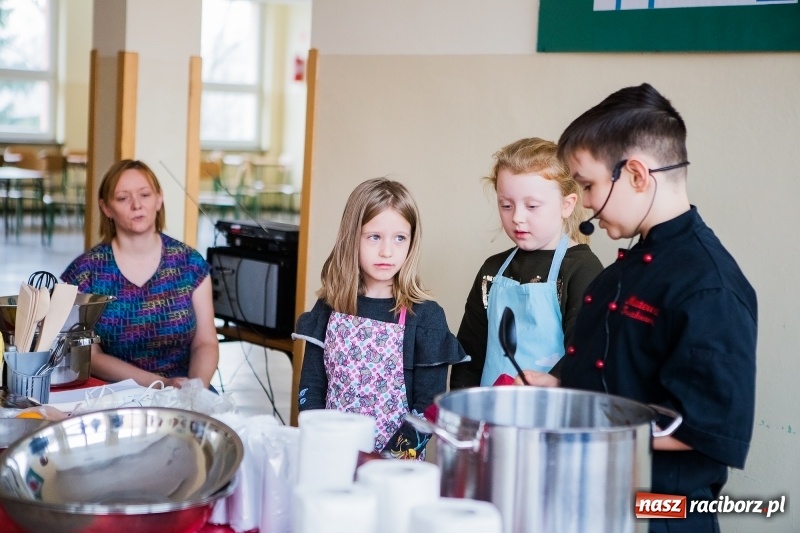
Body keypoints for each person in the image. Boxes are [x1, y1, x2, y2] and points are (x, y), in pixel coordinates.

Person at [516, 83, 757, 533]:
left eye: (588, 185)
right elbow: (617, 369)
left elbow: (702, 427)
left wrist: (578, 419)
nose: (586, 202)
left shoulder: (709, 288)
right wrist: (556, 388)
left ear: (637, 175)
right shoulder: (622, 272)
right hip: (594, 500)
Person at [294, 178, 466, 457]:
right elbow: (311, 389)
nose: (387, 251)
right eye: (374, 237)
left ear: (412, 242)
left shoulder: (426, 316)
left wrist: (386, 460)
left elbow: (427, 409)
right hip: (332, 454)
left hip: (395, 470)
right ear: (353, 238)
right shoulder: (329, 306)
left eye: (400, 238)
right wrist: (321, 443)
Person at [450, 137, 603, 389]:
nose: (517, 217)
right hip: (491, 415)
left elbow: (588, 349)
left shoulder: (581, 269)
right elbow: (469, 355)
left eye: (532, 206)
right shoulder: (492, 270)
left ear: (567, 205)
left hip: (552, 417)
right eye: (506, 205)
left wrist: (553, 380)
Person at [61, 159, 219, 389]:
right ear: (106, 208)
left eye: (145, 195)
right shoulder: (84, 273)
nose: (136, 205)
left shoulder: (190, 264)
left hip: (185, 388)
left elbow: (205, 342)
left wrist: (195, 389)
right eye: (123, 198)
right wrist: (162, 384)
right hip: (115, 393)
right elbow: (90, 356)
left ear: (159, 199)